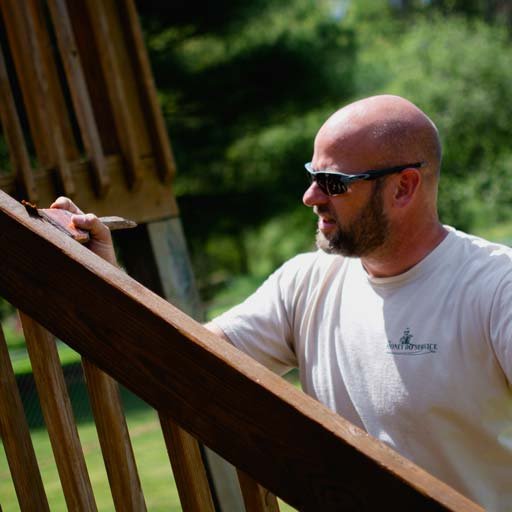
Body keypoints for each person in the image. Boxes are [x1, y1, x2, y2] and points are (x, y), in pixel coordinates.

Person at [52, 95, 512, 511]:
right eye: (313, 177)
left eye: (333, 183)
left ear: (403, 187)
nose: (310, 197)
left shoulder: (496, 287)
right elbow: (181, 359)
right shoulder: (305, 282)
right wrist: (102, 272)